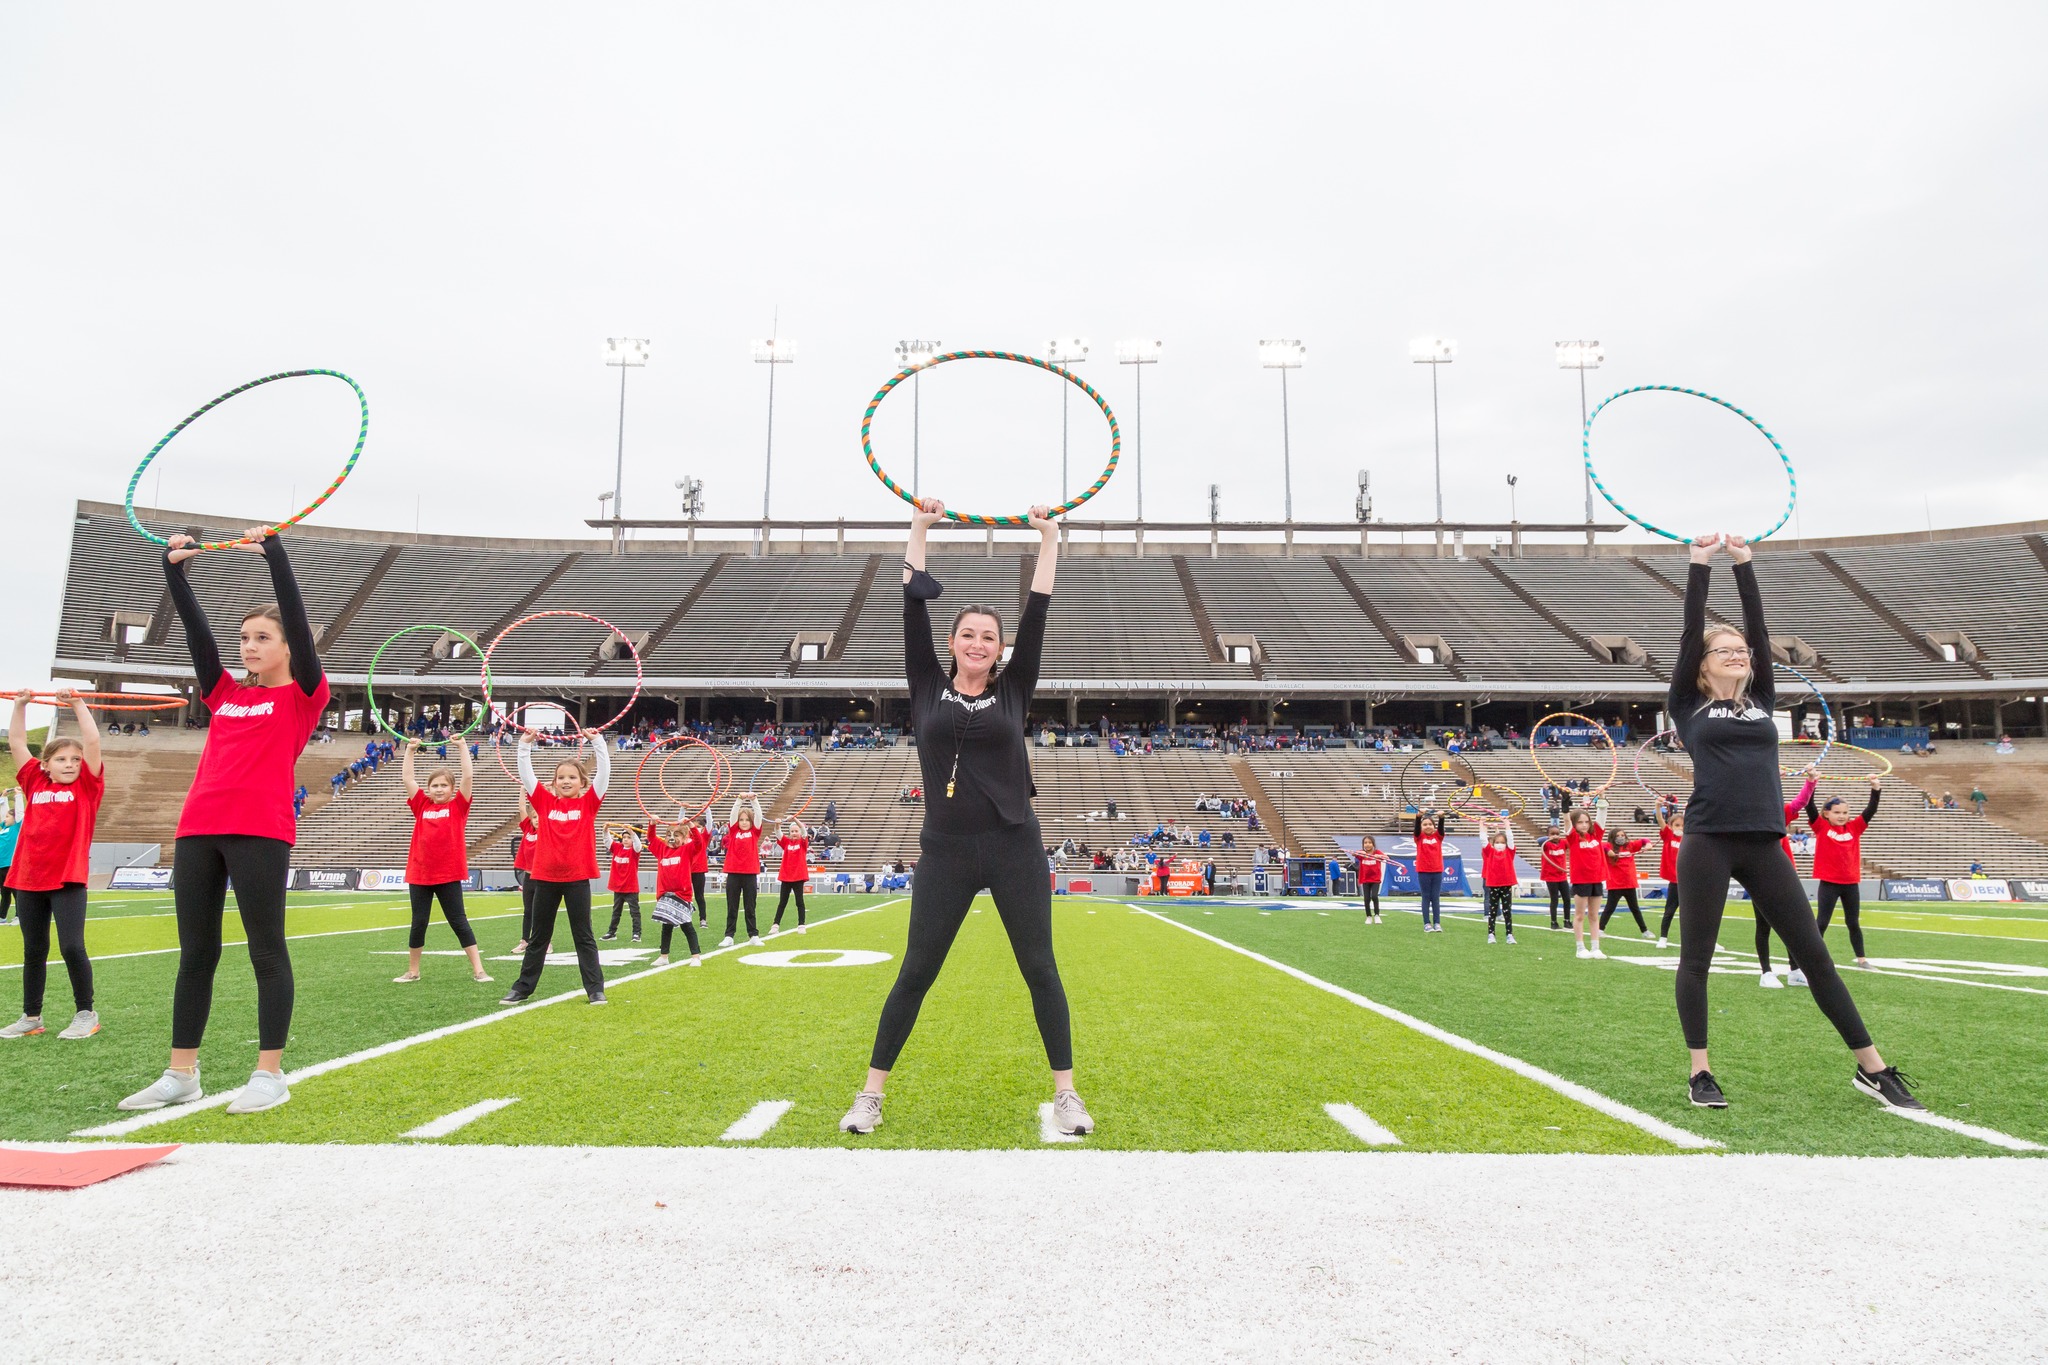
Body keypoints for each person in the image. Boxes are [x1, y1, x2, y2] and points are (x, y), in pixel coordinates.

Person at [841, 499, 1091, 1138]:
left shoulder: (1014, 687)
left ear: (1001, 650)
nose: (977, 643)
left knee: (1040, 967)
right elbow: (911, 606)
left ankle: (1066, 1094)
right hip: (946, 850)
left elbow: (1039, 608)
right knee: (916, 971)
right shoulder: (925, 683)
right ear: (953, 644)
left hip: (1013, 845)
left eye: (989, 637)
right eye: (967, 634)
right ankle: (870, 1094)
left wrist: (1049, 537)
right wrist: (920, 529)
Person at [1668, 532, 1921, 1112]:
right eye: (1725, 649)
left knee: (1815, 956)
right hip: (1708, 839)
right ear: (1703, 665)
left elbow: (1759, 630)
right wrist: (1700, 565)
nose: (1739, 654)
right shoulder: (1688, 704)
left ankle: (1872, 1067)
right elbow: (1689, 633)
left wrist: (1747, 564)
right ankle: (1700, 1072)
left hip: (1766, 842)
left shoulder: (1763, 698)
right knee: (1697, 960)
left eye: (1742, 651)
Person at [118, 529, 330, 1116]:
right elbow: (196, 633)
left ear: (289, 647)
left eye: (262, 638)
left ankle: (270, 1072)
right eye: (244, 638)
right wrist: (174, 570)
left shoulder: (304, 694)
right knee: (196, 954)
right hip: (197, 828)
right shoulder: (223, 692)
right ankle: (181, 1072)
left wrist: (275, 556)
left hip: (260, 829)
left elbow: (297, 617)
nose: (248, 646)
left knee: (266, 950)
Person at [1, 691, 105, 1041]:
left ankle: (86, 1012)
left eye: (75, 759)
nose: (71, 763)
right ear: (46, 764)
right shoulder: (34, 780)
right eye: (62, 759)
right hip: (27, 878)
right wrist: (19, 705)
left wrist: (76, 704)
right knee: (34, 949)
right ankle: (31, 1016)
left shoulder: (88, 786)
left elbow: (92, 739)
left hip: (67, 879)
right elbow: (16, 740)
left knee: (72, 946)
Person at [500, 734, 613, 1006]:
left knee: (583, 936)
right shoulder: (544, 803)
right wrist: (524, 746)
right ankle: (522, 988)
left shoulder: (588, 803)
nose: (566, 781)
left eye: (572, 777)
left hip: (577, 880)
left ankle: (595, 989)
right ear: (553, 782)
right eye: (561, 777)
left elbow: (604, 774)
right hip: (545, 879)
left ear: (582, 783)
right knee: (538, 937)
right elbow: (526, 775)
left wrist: (599, 743)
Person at [393, 738, 489, 984]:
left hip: (448, 874)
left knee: (459, 921)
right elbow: (407, 779)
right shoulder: (422, 805)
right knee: (419, 923)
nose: (438, 789)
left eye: (443, 785)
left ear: (451, 788)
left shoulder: (458, 806)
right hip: (420, 874)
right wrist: (410, 751)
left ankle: (478, 969)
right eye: (434, 785)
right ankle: (413, 971)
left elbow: (468, 778)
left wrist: (462, 747)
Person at [1756, 769, 1820, 988]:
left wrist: (1811, 782)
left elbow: (1799, 803)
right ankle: (1766, 972)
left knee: (1792, 925)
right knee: (1763, 926)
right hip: (1758, 874)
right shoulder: (1750, 814)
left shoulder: (1779, 811)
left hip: (1785, 874)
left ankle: (1794, 970)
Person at [1808, 777, 1882, 967]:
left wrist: (1875, 789)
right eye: (1837, 812)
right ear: (1826, 813)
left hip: (1850, 883)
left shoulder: (1854, 827)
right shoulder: (1821, 826)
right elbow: (1810, 806)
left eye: (1845, 812)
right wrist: (1811, 782)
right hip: (1829, 883)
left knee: (1853, 923)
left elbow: (1870, 810)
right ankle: (1813, 959)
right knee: (1822, 923)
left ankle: (1862, 959)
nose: (1842, 816)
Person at [646, 814, 703, 967]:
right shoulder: (661, 849)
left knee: (687, 926)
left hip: (681, 895)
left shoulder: (686, 850)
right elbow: (651, 838)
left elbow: (699, 843)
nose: (672, 838)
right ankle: (664, 956)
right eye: (669, 834)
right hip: (666, 894)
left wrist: (691, 826)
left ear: (684, 838)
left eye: (676, 835)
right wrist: (652, 823)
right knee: (666, 926)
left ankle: (696, 956)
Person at [720, 794, 765, 947]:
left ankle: (753, 934)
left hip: (750, 873)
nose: (744, 822)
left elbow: (759, 815)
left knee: (750, 906)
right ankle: (729, 935)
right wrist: (739, 800)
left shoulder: (755, 832)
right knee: (732, 905)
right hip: (733, 873)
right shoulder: (733, 832)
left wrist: (754, 800)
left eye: (747, 820)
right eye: (741, 820)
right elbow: (733, 813)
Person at [1564, 807, 1607, 959]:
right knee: (1580, 915)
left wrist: (1602, 798)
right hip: (1581, 880)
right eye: (1580, 822)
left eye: (1586, 822)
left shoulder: (1596, 836)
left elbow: (1602, 816)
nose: (1584, 825)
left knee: (1594, 915)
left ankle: (1596, 947)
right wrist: (1565, 810)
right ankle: (1580, 947)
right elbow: (1567, 824)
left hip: (1596, 879)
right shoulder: (1573, 838)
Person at [1600, 827, 1651, 936]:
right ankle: (1600, 929)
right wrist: (1608, 851)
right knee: (1609, 908)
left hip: (1629, 883)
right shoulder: (1609, 845)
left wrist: (1648, 844)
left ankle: (1644, 930)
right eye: (1618, 836)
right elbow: (1601, 845)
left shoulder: (1630, 846)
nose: (1620, 838)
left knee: (1635, 909)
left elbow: (1644, 840)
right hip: (1615, 884)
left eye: (1622, 835)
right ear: (1613, 837)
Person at [600, 825, 643, 942]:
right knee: (616, 912)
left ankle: (636, 933)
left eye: (628, 837)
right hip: (618, 887)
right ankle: (611, 932)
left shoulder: (634, 851)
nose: (625, 839)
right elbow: (608, 841)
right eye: (624, 837)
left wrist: (632, 833)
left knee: (634, 912)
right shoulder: (617, 848)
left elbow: (638, 845)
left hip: (630, 887)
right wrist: (605, 831)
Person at [1478, 818, 1518, 945]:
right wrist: (1481, 825)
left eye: (1502, 842)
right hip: (1493, 885)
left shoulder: (1509, 852)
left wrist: (1507, 825)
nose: (1500, 844)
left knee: (1507, 911)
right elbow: (1483, 840)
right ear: (1493, 843)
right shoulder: (1490, 852)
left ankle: (1509, 934)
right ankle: (1491, 934)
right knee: (1493, 911)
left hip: (1506, 885)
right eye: (1497, 842)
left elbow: (1511, 839)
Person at [770, 819, 810, 935]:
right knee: (782, 902)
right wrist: (777, 823)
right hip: (786, 876)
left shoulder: (802, 843)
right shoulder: (786, 842)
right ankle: (775, 925)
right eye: (792, 831)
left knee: (799, 902)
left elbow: (803, 830)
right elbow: (778, 832)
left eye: (796, 831)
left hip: (798, 877)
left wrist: (795, 819)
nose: (794, 833)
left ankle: (801, 924)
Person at [1412, 809, 1450, 933]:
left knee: (1435, 897)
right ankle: (1427, 923)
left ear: (1434, 827)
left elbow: (1441, 829)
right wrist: (1418, 817)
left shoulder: (1438, 837)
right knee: (1426, 897)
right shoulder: (1419, 837)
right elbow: (1416, 829)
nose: (1428, 826)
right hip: (1423, 871)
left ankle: (1437, 923)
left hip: (1437, 870)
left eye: (1430, 824)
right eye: (1425, 824)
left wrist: (1441, 818)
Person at [511, 796, 538, 954]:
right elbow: (522, 809)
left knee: (541, 912)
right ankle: (524, 940)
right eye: (534, 817)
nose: (537, 820)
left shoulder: (548, 830)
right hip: (528, 877)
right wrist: (522, 789)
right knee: (528, 911)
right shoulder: (528, 828)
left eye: (540, 817)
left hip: (542, 878)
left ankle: (545, 941)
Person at [1654, 808, 1684, 947]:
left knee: (1695, 914)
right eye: (1677, 825)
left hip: (1689, 882)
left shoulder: (1689, 839)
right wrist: (1657, 806)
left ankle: (1709, 941)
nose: (1680, 828)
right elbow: (1660, 820)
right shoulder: (1668, 836)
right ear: (1671, 826)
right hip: (1675, 882)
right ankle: (1663, 938)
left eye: (1683, 825)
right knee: (1669, 911)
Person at [1539, 824, 1572, 931]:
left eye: (1557, 834)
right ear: (1548, 835)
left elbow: (1572, 842)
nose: (1555, 836)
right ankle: (1553, 922)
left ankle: (1567, 921)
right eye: (1552, 834)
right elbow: (1539, 840)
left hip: (1562, 876)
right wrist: (1549, 838)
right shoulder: (1546, 844)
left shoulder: (1563, 843)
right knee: (1554, 900)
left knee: (1567, 899)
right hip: (1550, 876)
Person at [683, 812, 711, 927]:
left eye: (698, 827)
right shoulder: (687, 837)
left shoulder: (703, 837)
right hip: (685, 870)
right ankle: (683, 917)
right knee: (683, 895)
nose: (695, 828)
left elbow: (710, 824)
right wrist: (682, 808)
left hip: (699, 870)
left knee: (699, 896)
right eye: (693, 826)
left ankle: (703, 919)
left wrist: (708, 809)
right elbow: (681, 824)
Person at [1352, 837, 1385, 924]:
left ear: (1373, 844)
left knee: (1374, 896)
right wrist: (1359, 852)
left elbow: (1386, 857)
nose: (1367, 844)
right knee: (1366, 898)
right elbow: (1353, 854)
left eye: (1370, 842)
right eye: (1365, 843)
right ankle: (1368, 916)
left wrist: (1380, 856)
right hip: (1365, 879)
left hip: (1375, 879)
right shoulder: (1362, 854)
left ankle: (1377, 915)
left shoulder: (1377, 852)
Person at [0, 788, 20, 925]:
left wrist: (18, 796)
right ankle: (2, 917)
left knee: (16, 893)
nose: (5, 818)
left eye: (8, 816)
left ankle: (19, 916)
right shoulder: (4, 828)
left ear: (14, 819)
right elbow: (2, 815)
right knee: (4, 893)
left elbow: (19, 814)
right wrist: (3, 798)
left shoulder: (17, 828)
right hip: (1, 866)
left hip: (11, 865)